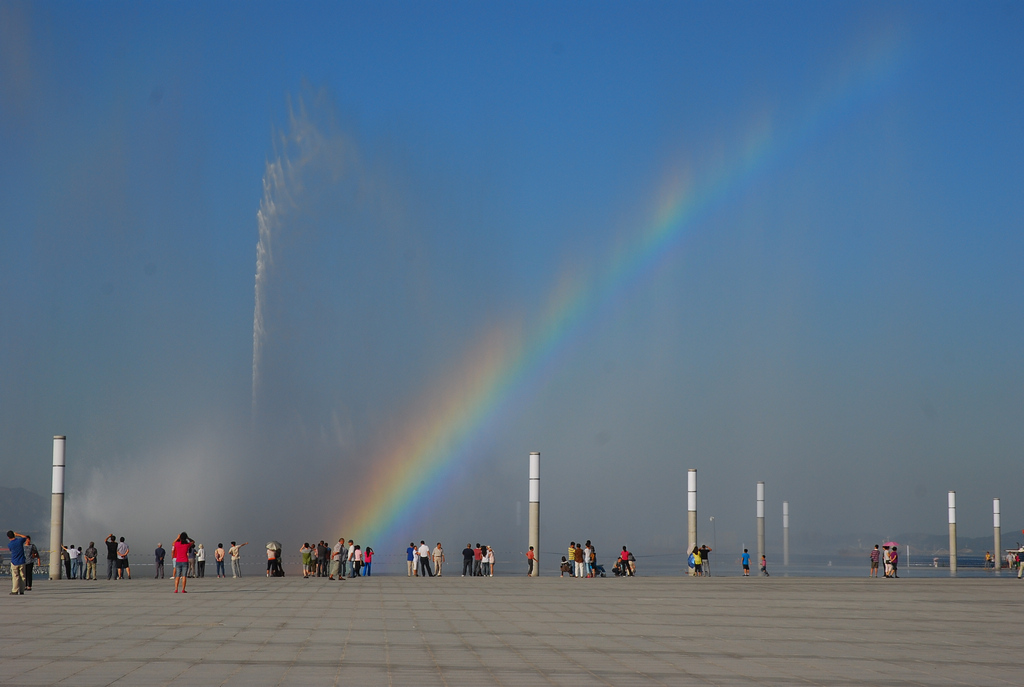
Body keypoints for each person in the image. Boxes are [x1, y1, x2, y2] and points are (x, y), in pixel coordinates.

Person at [7, 530, 28, 595]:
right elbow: (25, 537)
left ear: (8, 537)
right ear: (14, 535)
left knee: (15, 576)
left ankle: (15, 590)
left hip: (14, 561)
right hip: (22, 561)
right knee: (23, 576)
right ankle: (22, 590)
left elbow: (11, 550)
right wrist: (18, 534)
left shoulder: (10, 544)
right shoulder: (19, 541)